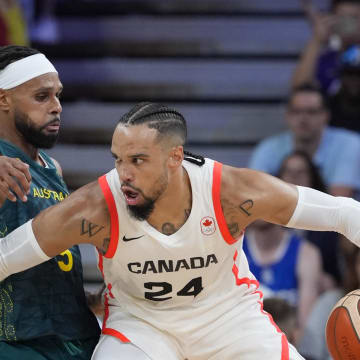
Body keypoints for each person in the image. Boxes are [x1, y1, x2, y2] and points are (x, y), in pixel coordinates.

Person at [3, 102, 360, 359]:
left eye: (138, 160)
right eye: (118, 159)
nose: (123, 173)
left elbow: (344, 214)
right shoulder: (96, 206)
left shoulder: (231, 192)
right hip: (142, 326)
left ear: (175, 157)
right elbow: (6, 255)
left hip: (228, 319)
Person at [0, 45, 100, 359]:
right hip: (19, 342)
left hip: (74, 335)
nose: (56, 106)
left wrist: (85, 299)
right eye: (42, 97)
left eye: (57, 95)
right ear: (3, 99)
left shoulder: (51, 167)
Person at [249, 83, 360, 198]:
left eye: (311, 112)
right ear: (287, 115)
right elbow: (254, 197)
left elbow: (340, 203)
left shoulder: (350, 144)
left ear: (326, 115)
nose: (303, 119)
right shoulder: (267, 148)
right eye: (296, 112)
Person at [243, 219, 321, 335]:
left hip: (288, 346)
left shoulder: (306, 254)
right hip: (244, 342)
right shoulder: (232, 251)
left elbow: (303, 328)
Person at [278, 151, 342, 289]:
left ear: (312, 178)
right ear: (279, 177)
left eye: (300, 172)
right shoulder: (267, 220)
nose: (294, 177)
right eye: (288, 171)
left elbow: (335, 280)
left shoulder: (329, 226)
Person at [292, 0, 360, 94]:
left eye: (354, 18)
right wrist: (317, 39)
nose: (348, 24)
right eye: (343, 18)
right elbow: (299, 87)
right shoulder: (325, 60)